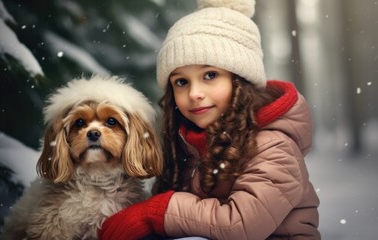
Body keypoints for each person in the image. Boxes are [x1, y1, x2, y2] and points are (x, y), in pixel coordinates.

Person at [98, 0, 321, 239]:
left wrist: (156, 211)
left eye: (210, 75)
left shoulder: (274, 147)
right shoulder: (185, 144)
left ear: (240, 81)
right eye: (181, 82)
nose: (194, 93)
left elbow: (241, 225)